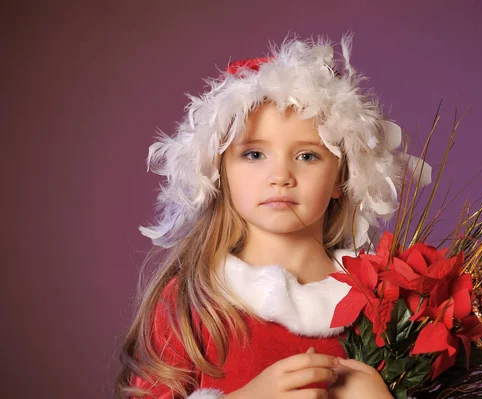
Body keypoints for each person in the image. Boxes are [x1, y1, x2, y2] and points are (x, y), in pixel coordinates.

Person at [116, 34, 430, 399]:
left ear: (342, 178)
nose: (280, 176)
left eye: (307, 156)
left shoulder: (384, 305)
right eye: (253, 155)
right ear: (221, 171)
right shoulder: (191, 302)